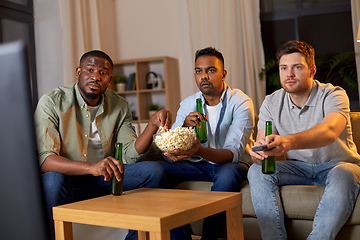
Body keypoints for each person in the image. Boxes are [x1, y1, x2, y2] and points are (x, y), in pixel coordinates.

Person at [34, 50, 171, 240]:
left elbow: (130, 155)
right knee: (51, 180)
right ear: (78, 72)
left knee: (154, 171)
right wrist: (92, 167)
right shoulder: (52, 102)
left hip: (104, 180)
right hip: (69, 181)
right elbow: (45, 160)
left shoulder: (120, 105)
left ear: (109, 79)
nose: (95, 77)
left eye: (102, 73)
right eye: (90, 70)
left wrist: (151, 126)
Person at [248, 40, 360, 240]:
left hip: (338, 166)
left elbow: (329, 131)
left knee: (346, 172)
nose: (289, 74)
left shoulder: (334, 94)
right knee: (257, 170)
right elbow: (261, 147)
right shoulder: (271, 102)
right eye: (284, 68)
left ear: (312, 70)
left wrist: (288, 142)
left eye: (297, 67)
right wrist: (259, 153)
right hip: (297, 168)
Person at [158, 46, 255, 240]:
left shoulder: (241, 102)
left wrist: (199, 150)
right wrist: (184, 129)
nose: (204, 76)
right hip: (198, 165)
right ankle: (180, 237)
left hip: (232, 164)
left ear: (223, 74)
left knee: (227, 174)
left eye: (211, 70)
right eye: (198, 71)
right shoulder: (188, 104)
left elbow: (232, 153)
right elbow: (170, 148)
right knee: (154, 171)